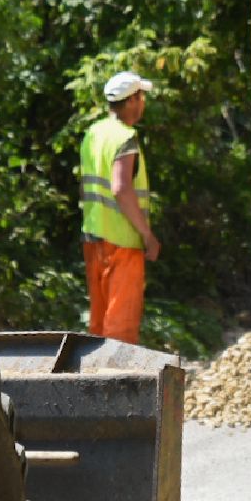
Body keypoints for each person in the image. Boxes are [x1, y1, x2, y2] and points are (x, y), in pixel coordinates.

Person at [80, 71, 160, 344]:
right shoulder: (125, 138)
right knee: (120, 327)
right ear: (132, 100)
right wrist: (147, 235)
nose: (143, 103)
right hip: (122, 242)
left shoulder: (94, 133)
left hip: (93, 236)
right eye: (141, 97)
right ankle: (117, 380)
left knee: (99, 321)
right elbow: (121, 188)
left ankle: (93, 381)